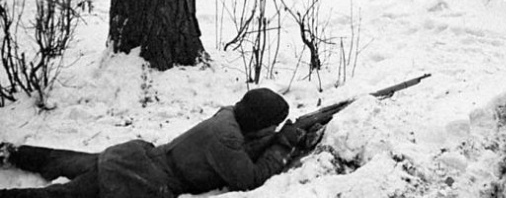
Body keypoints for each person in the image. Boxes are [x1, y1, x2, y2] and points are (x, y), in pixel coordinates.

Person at [0, 88, 309, 197]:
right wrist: (282, 145)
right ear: (258, 123)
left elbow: (243, 146)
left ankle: (10, 153)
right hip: (141, 179)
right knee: (64, 195)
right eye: (272, 125)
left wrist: (272, 137)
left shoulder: (229, 116)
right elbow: (249, 180)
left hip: (138, 158)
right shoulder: (226, 139)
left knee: (63, 160)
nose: (274, 129)